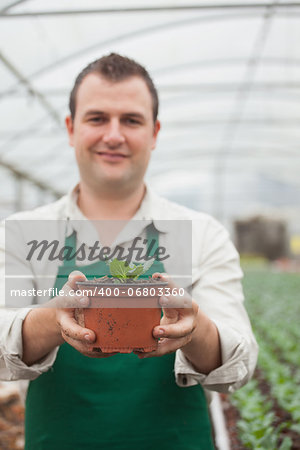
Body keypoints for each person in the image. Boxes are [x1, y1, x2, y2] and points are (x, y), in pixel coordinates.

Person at [0, 53, 258, 449]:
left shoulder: (200, 233)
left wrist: (196, 328)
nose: (114, 135)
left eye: (131, 120)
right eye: (97, 118)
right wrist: (54, 320)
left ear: (154, 133)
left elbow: (238, 365)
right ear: (71, 128)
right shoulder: (22, 234)